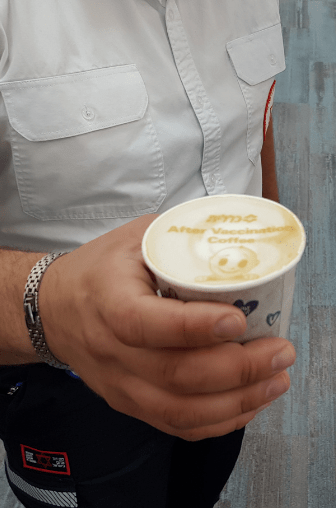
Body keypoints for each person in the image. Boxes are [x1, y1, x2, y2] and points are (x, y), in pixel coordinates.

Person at [0, 1, 296, 507]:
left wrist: (270, 218)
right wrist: (50, 306)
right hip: (62, 382)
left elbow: (250, 123)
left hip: (231, 338)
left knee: (198, 486)